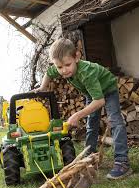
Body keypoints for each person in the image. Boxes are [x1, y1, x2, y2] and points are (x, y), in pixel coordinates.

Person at [33, 38, 132, 179]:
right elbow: (49, 73)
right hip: (91, 93)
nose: (64, 70)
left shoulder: (86, 72)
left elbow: (99, 101)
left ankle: (122, 162)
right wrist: (43, 87)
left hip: (107, 90)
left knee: (115, 121)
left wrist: (77, 115)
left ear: (77, 57)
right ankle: (89, 156)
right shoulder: (60, 67)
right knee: (92, 123)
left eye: (68, 65)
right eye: (59, 67)